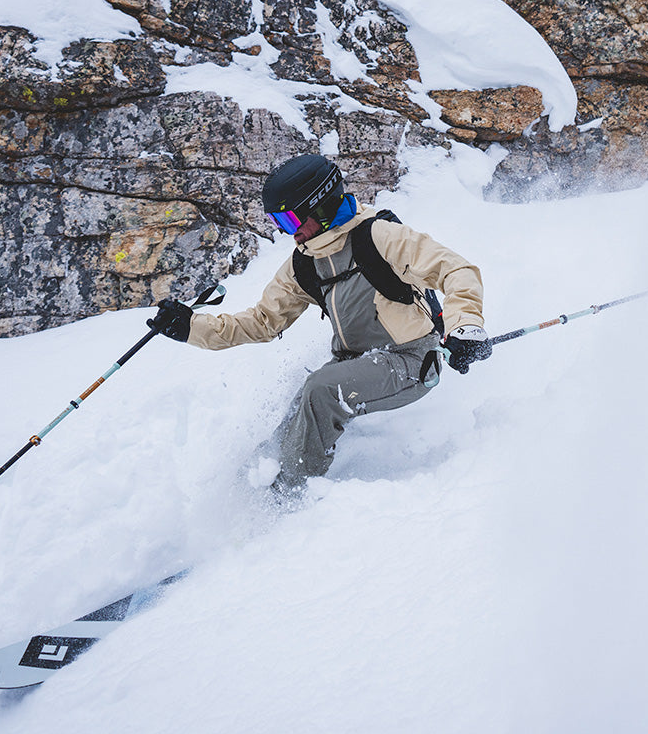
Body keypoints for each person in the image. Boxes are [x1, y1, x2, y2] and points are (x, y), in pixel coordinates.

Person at [147, 154, 491, 496]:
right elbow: (263, 321)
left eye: (291, 219)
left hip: (411, 360)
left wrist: (466, 326)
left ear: (322, 206)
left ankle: (288, 497)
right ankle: (250, 486)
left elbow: (456, 270)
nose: (288, 233)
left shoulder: (380, 235)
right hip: (356, 362)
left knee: (322, 391)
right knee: (300, 409)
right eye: (279, 222)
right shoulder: (305, 262)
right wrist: (191, 326)